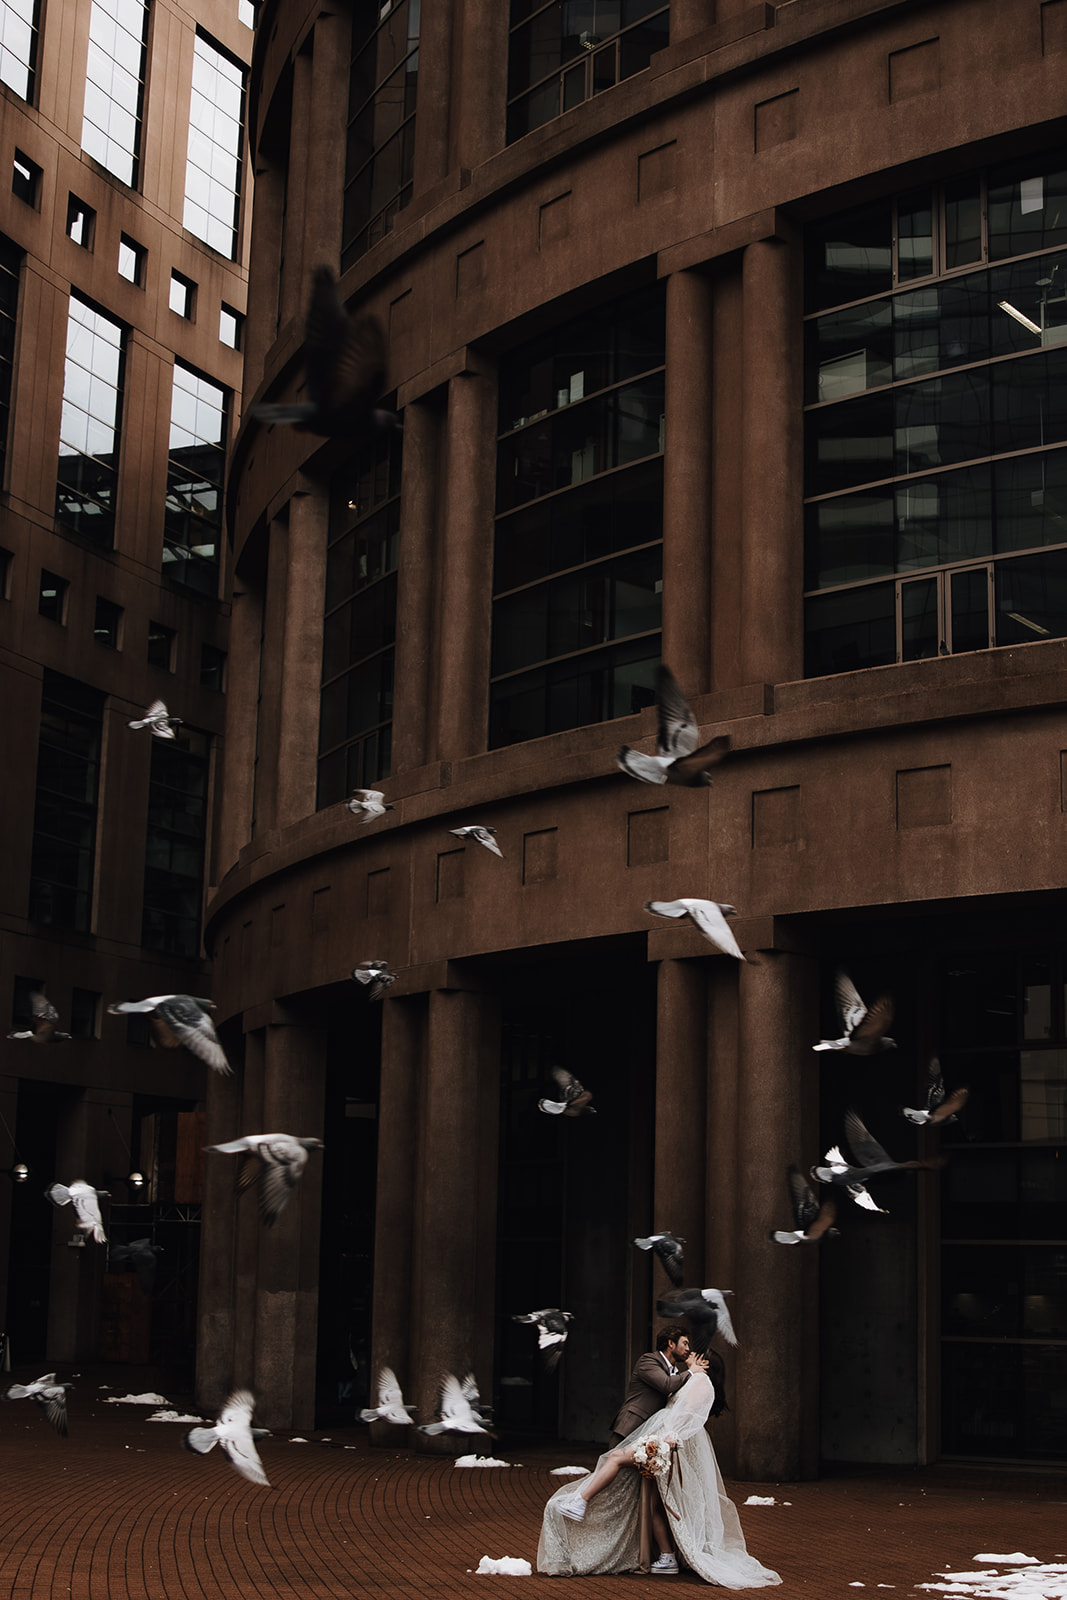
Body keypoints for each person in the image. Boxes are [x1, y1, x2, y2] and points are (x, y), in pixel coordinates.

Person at [538, 1352, 781, 1587]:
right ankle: (667, 1556)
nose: (691, 1351)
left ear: (705, 1363)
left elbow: (686, 1415)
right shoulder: (692, 1377)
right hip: (665, 1435)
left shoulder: (700, 1380)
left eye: (697, 1352)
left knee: (617, 1459)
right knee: (653, 1500)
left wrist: (666, 1439)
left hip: (666, 1438)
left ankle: (581, 1500)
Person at [609, 1324, 696, 1444]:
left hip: (649, 1433)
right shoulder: (648, 1361)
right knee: (612, 1461)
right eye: (685, 1343)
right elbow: (666, 1385)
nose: (688, 1348)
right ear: (671, 1343)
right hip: (631, 1426)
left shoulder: (676, 1373)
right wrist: (691, 1371)